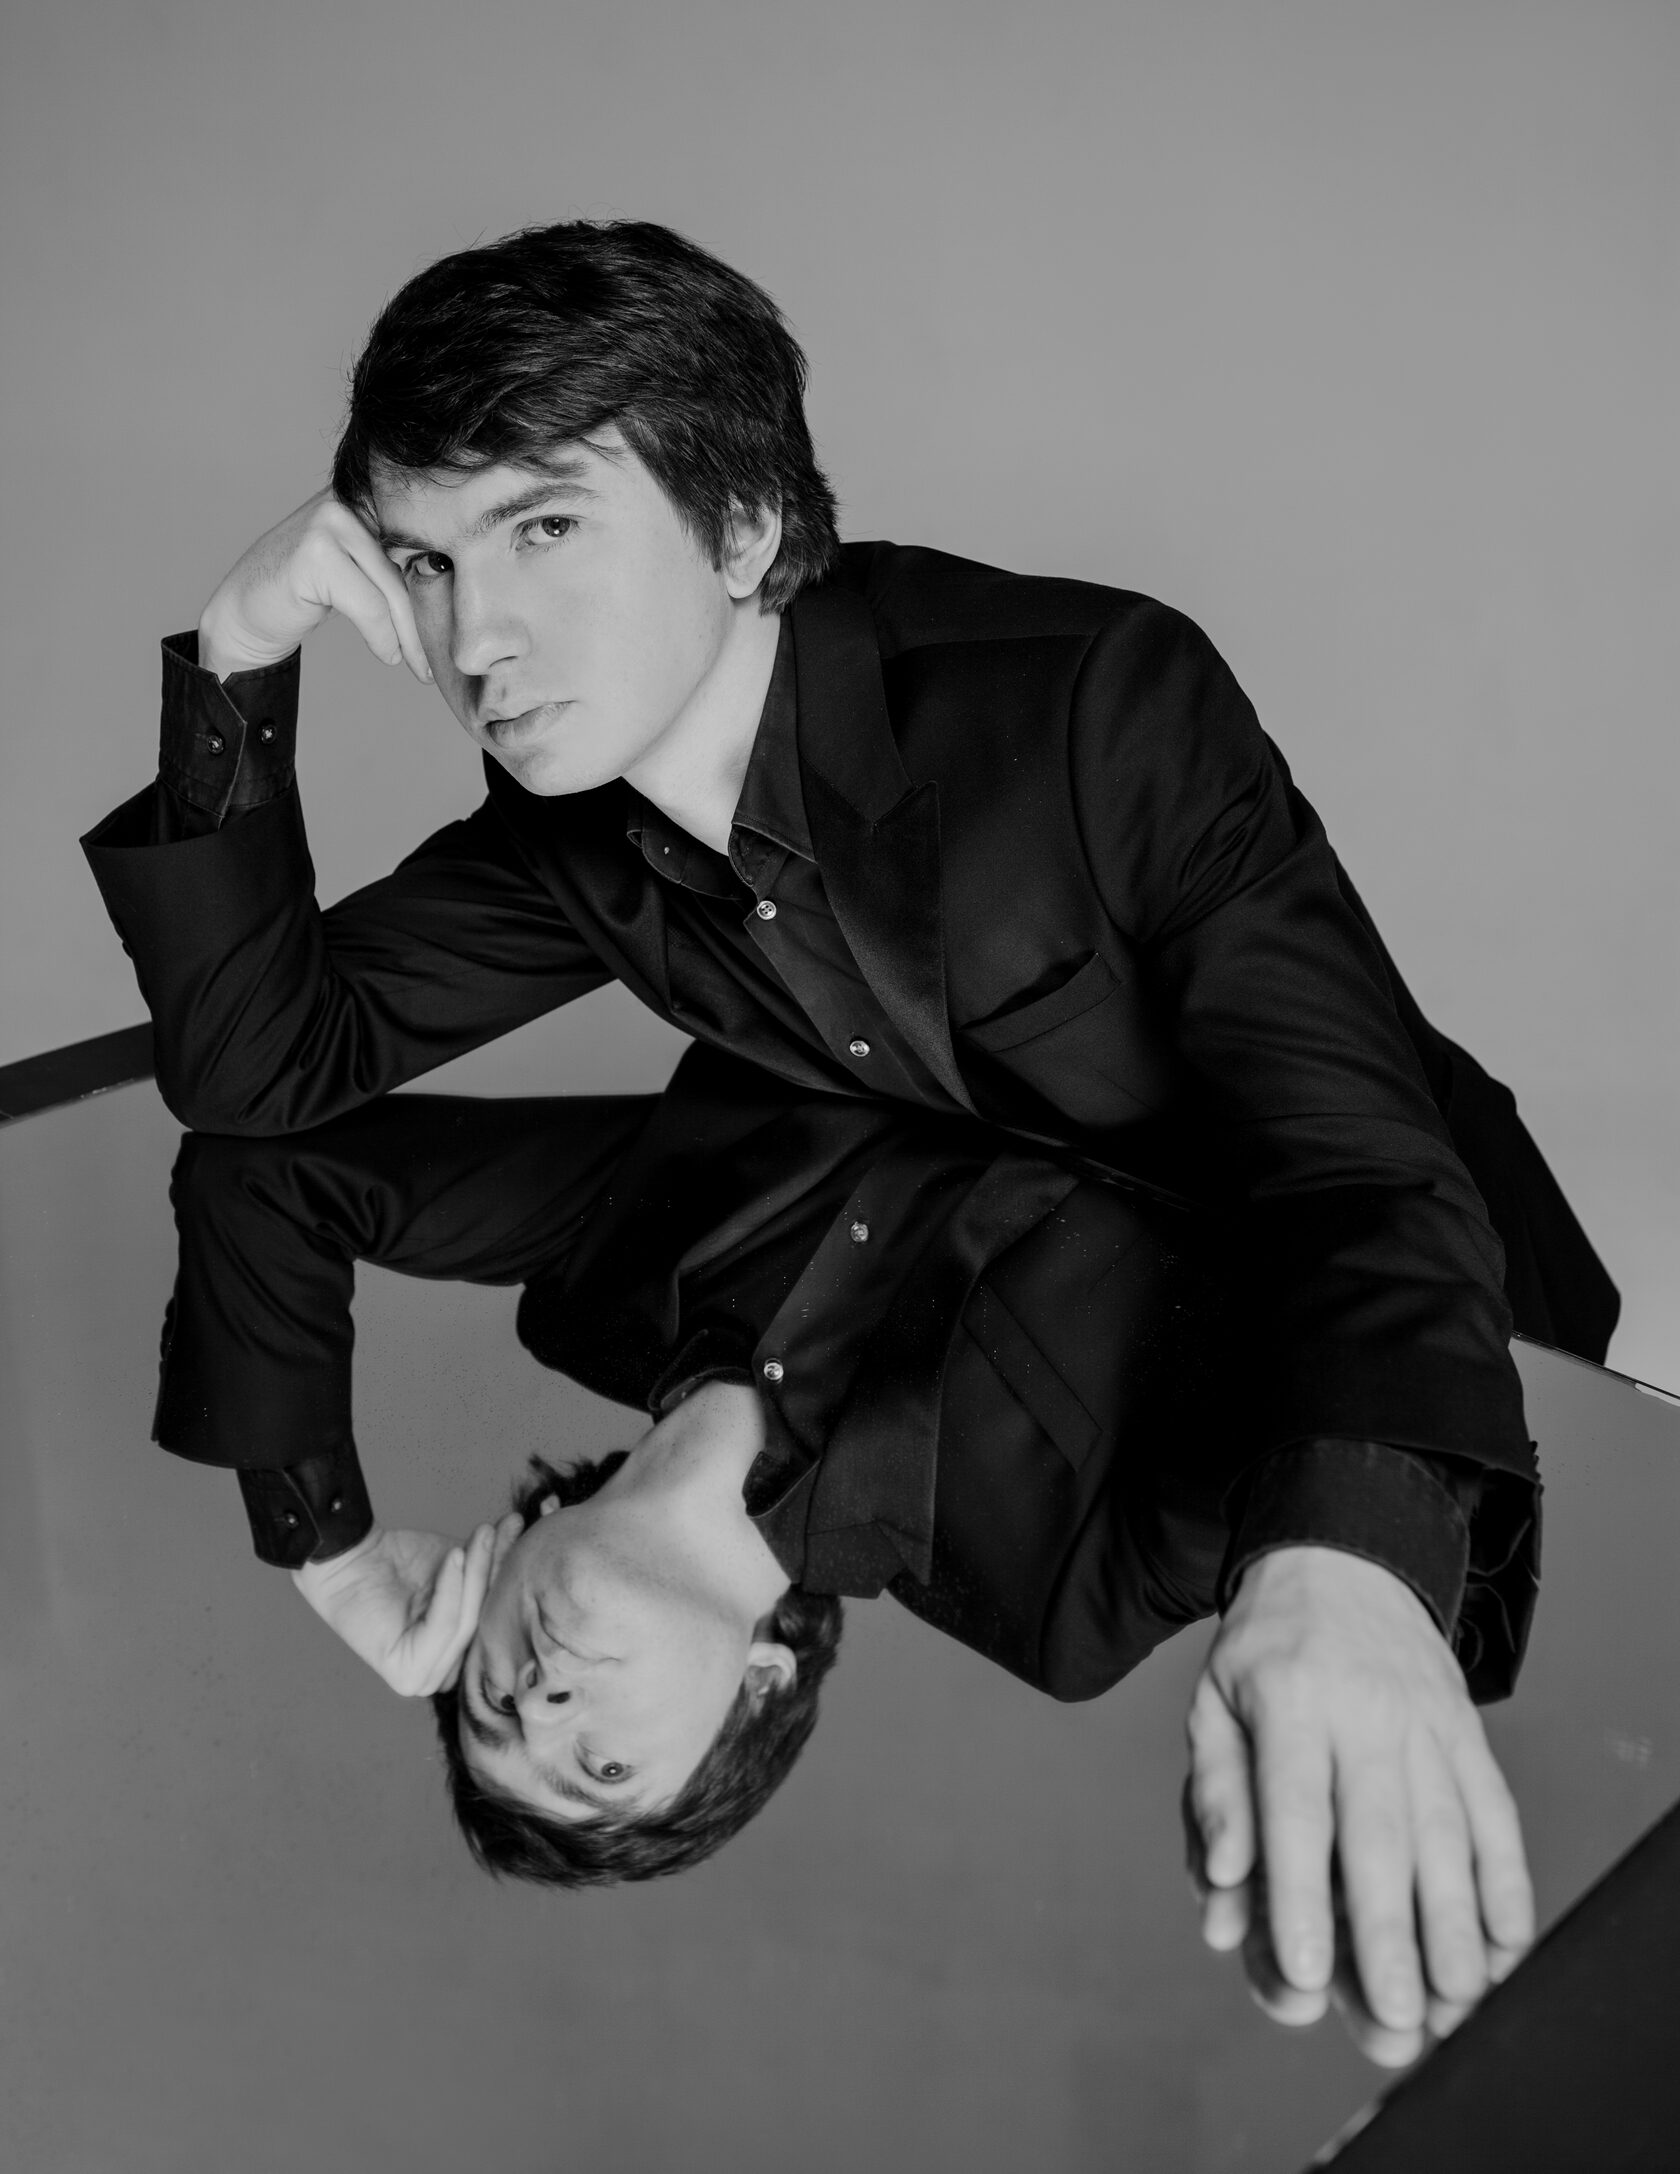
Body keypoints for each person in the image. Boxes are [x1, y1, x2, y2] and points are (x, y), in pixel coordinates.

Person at [84, 218, 1618, 2042]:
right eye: (423, 560)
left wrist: (1346, 1567)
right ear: (762, 1685)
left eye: (544, 527)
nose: (470, 638)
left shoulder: (1094, 702)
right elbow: (260, 1079)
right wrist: (240, 654)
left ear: (742, 527)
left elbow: (1356, 1167)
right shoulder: (579, 825)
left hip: (1472, 1309)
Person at [155, 1053, 1543, 2059]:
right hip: (1437, 1186)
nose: (543, 1703)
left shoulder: (608, 1262)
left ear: (507, 1550)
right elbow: (1371, 1439)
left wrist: (329, 1553)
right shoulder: (1058, 1597)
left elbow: (258, 1173)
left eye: (491, 1702)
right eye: (601, 1768)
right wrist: (1349, 1574)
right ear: (757, 1690)